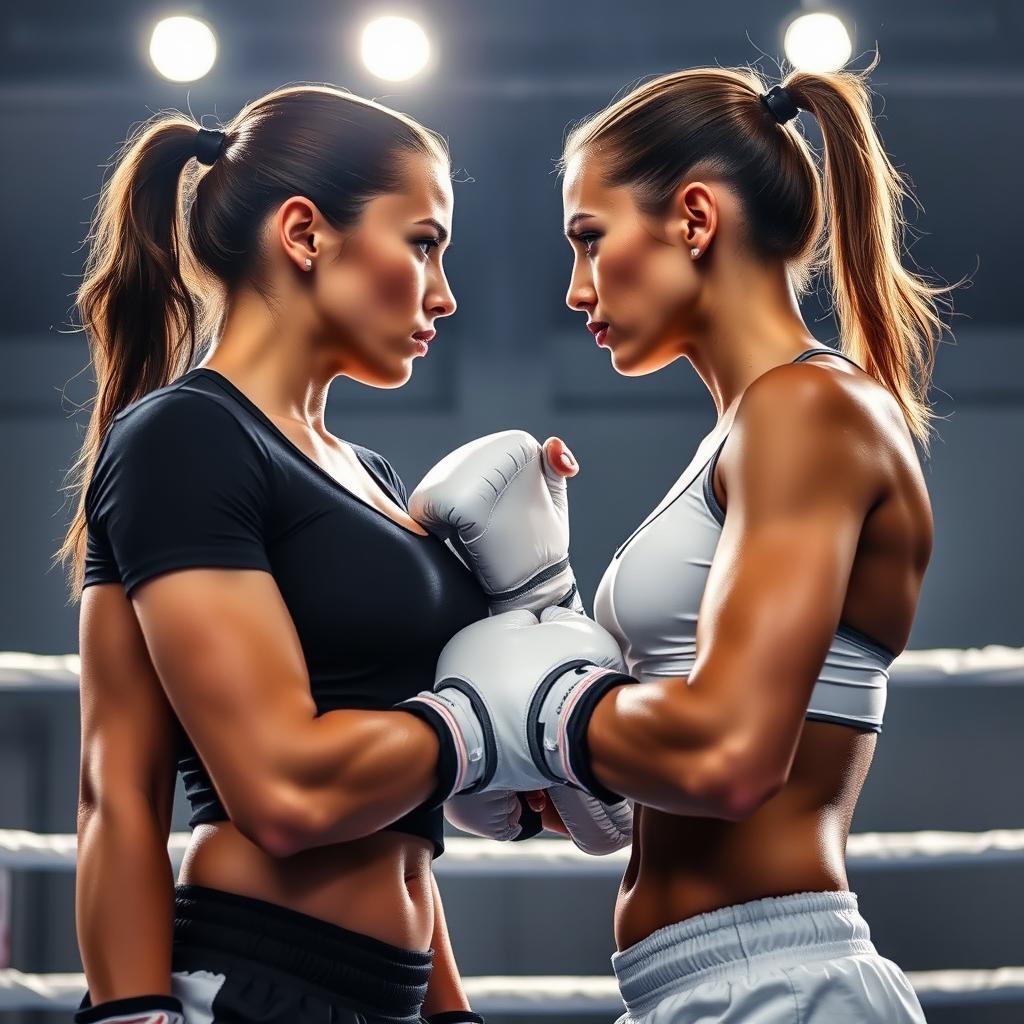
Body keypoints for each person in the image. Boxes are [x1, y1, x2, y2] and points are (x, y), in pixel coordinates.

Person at [399, 62, 947, 1022]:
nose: (576, 288)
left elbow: (733, 755)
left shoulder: (808, 410)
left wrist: (527, 714)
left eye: (589, 238)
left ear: (694, 218)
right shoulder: (749, 429)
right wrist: (541, 615)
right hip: (697, 980)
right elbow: (648, 783)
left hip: (778, 979)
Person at [58, 82, 584, 1024]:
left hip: (394, 990)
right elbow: (253, 792)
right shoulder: (184, 440)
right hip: (260, 982)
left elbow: (401, 825)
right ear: (305, 234)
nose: (444, 293)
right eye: (423, 243)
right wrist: (133, 1014)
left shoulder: (373, 473)